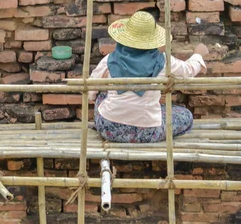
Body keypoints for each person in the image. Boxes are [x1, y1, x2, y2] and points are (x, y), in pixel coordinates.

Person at [89, 11, 208, 143]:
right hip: (147, 132)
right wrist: (198, 54)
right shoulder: (163, 62)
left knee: (101, 94)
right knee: (185, 115)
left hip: (109, 127)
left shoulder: (109, 60)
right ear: (152, 40)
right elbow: (188, 70)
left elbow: (91, 93)